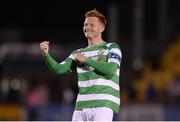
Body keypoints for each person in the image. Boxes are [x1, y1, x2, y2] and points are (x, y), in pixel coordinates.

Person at [40, 9, 122, 121]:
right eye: (85, 24)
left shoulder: (111, 47)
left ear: (101, 28)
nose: (87, 27)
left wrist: (86, 60)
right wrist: (46, 54)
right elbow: (58, 69)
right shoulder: (77, 53)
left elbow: (110, 70)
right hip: (81, 106)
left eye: (92, 24)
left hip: (103, 103)